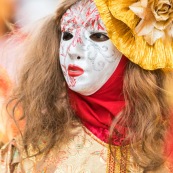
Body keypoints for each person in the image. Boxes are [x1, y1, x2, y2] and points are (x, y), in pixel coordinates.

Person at [0, 0, 173, 172]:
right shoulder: (32, 151)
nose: (74, 49)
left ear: (133, 51)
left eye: (98, 36)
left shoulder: (164, 141)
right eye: (67, 35)